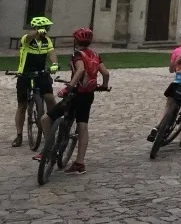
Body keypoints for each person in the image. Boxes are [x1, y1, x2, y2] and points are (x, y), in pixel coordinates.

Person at [36, 28, 110, 174]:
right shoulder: (95, 55)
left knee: (45, 118)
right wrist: (104, 86)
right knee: (83, 126)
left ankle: (49, 149)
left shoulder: (77, 55)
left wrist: (69, 87)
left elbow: (81, 70)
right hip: (88, 95)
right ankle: (79, 163)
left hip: (75, 94)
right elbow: (106, 73)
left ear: (75, 41)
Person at [12, 16, 59, 148]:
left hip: (41, 73)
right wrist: (37, 32)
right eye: (46, 28)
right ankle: (19, 135)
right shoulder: (27, 39)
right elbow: (28, 36)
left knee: (50, 97)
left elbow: (51, 52)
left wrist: (54, 63)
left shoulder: (46, 40)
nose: (47, 30)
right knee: (22, 105)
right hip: (25, 74)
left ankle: (52, 121)